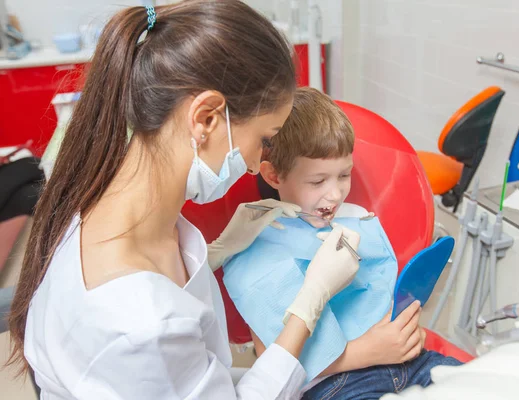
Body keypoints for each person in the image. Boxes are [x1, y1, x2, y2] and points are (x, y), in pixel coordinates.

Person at [6, 2, 363, 399]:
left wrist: (213, 253)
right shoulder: (142, 321)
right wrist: (309, 303)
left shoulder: (107, 201)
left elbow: (191, 374)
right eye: (265, 139)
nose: (253, 165)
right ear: (206, 118)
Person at [223, 88, 462, 399]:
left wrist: (403, 331)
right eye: (318, 181)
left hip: (411, 363)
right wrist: (370, 351)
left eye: (344, 175)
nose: (335, 194)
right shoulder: (256, 252)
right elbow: (275, 364)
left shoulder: (354, 219)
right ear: (274, 175)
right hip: (337, 386)